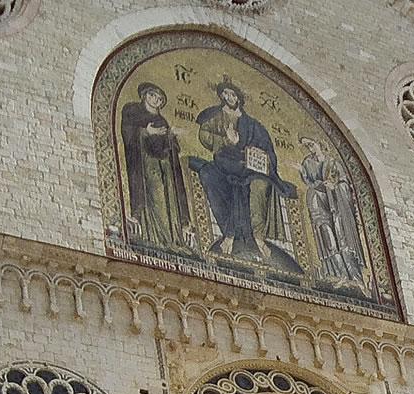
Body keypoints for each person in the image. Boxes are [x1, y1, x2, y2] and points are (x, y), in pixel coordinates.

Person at [188, 76, 297, 264]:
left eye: (233, 94)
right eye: (226, 94)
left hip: (251, 169)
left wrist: (257, 152)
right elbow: (204, 135)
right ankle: (227, 233)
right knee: (208, 174)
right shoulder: (215, 116)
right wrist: (225, 140)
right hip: (225, 164)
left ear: (239, 98)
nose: (229, 97)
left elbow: (269, 152)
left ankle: (257, 235)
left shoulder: (254, 125)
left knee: (259, 185)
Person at [119, 83, 190, 248]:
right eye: (152, 95)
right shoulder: (132, 110)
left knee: (169, 196)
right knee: (155, 194)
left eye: (159, 99)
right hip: (145, 163)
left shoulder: (161, 120)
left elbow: (168, 145)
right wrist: (145, 132)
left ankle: (172, 239)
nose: (155, 100)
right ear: (145, 95)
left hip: (165, 163)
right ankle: (155, 238)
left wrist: (171, 136)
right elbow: (127, 132)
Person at [297, 137, 366, 282]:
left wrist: (335, 187)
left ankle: (355, 277)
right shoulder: (307, 163)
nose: (310, 148)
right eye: (307, 146)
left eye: (311, 144)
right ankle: (340, 274)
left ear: (320, 143)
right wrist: (302, 172)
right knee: (327, 238)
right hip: (318, 203)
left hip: (336, 204)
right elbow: (309, 182)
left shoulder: (334, 163)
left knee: (342, 237)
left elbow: (345, 183)